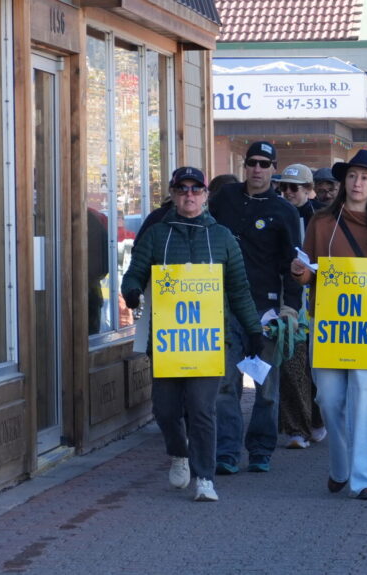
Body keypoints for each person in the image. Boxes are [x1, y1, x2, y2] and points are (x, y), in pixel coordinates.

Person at [120, 166, 264, 502]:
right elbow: (135, 273)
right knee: (166, 410)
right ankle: (179, 453)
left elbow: (240, 289)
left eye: (195, 189)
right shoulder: (157, 234)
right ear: (172, 194)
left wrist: (253, 331)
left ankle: (204, 477)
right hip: (169, 339)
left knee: (201, 408)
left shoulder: (223, 237)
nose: (189, 195)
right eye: (182, 189)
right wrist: (131, 291)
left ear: (205, 195)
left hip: (210, 340)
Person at [291, 149, 367, 500]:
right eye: (353, 176)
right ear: (344, 181)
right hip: (330, 318)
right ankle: (340, 465)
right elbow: (306, 269)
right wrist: (298, 273)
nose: (358, 183)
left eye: (366, 177)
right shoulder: (322, 221)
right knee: (328, 398)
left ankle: (364, 477)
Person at [209, 141, 303, 475]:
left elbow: (294, 263)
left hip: (267, 311)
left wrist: (291, 308)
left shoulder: (284, 211)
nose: (258, 169)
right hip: (225, 308)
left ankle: (261, 449)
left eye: (265, 163)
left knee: (266, 387)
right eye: (252, 163)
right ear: (245, 166)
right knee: (225, 383)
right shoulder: (225, 199)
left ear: (274, 168)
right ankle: (227, 451)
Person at [276, 163, 325, 450]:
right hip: (287, 299)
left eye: (294, 187)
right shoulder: (275, 214)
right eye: (283, 187)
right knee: (291, 362)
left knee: (318, 370)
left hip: (319, 299)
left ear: (309, 190)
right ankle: (296, 428)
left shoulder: (321, 219)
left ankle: (317, 419)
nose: (288, 192)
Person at [278, 163, 324, 231]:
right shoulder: (276, 212)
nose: (287, 191)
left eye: (293, 187)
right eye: (283, 187)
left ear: (308, 188)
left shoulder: (321, 214)